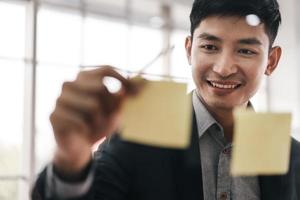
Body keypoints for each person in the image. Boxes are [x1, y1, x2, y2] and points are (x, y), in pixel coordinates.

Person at [32, 0, 300, 199]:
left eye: (245, 50)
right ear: (188, 50)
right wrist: (71, 157)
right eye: (210, 47)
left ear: (271, 61)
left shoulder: (293, 157)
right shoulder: (140, 134)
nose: (223, 67)